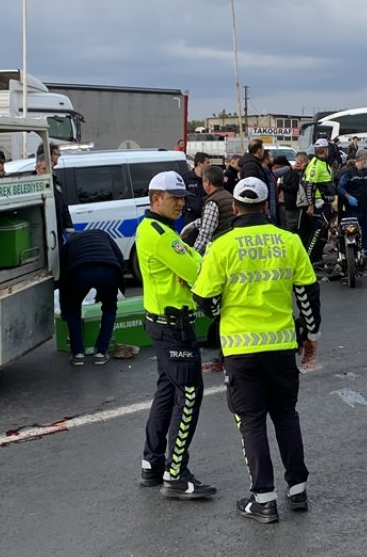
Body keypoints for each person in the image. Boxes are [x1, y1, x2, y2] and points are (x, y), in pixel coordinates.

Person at [192, 177, 321, 524]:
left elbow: (204, 299)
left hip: (240, 350)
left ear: (234, 207)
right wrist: (310, 335)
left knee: (251, 421)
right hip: (281, 346)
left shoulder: (221, 246)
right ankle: (298, 490)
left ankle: (263, 500)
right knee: (286, 415)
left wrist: (220, 313)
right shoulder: (289, 241)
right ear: (266, 206)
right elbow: (308, 294)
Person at [136, 171, 216, 500]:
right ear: (156, 199)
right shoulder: (158, 234)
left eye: (183, 198)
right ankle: (176, 473)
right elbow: (200, 270)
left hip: (164, 323)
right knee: (190, 397)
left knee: (167, 395)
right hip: (174, 327)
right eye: (174, 198)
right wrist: (197, 267)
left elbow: (192, 261)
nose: (181, 204)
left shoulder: (157, 230)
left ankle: (152, 464)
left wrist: (193, 264)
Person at [59, 229, 125, 365]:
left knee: (73, 309)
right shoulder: (102, 233)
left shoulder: (70, 242)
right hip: (108, 269)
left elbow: (63, 275)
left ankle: (78, 354)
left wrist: (65, 309)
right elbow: (119, 257)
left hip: (79, 272)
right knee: (109, 309)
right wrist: (119, 286)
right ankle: (101, 352)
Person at [301, 139, 337, 268]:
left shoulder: (324, 163)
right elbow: (309, 185)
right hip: (318, 204)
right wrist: (311, 205)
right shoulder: (315, 165)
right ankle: (308, 261)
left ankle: (317, 259)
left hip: (326, 202)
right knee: (316, 233)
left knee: (323, 232)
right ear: (325, 150)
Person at [337, 148, 367, 264]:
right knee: (352, 233)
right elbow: (340, 188)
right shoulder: (349, 173)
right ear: (362, 159)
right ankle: (352, 256)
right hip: (354, 210)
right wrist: (349, 197)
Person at [193, 166, 236, 254]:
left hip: (219, 251)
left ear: (207, 182)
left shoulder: (213, 202)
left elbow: (205, 236)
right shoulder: (229, 196)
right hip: (231, 247)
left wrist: (193, 254)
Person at [50, 144, 72, 247]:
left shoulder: (55, 180)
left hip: (57, 230)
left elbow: (63, 205)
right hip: (48, 230)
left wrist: (69, 226)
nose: (58, 156)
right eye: (56, 154)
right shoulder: (39, 179)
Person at [279, 152, 307, 233]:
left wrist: (281, 185)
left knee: (291, 225)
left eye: (297, 162)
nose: (295, 164)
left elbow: (294, 188)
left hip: (295, 203)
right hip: (292, 203)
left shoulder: (297, 173)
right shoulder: (295, 172)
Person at [182, 152, 210, 223]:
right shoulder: (187, 178)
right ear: (199, 163)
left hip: (205, 216)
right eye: (207, 162)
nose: (209, 165)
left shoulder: (208, 179)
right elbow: (182, 196)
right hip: (190, 217)